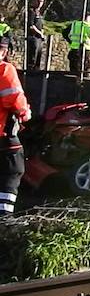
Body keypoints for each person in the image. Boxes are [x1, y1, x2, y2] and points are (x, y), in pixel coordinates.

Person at [0, 37, 31, 215]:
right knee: (13, 171)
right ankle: (4, 221)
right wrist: (25, 114)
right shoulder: (4, 69)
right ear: (4, 51)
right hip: (3, 135)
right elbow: (15, 100)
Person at [26, 0, 45, 70]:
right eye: (39, 1)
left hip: (39, 38)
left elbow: (40, 25)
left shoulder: (39, 12)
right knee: (32, 56)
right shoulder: (31, 11)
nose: (40, 3)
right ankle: (30, 70)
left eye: (42, 1)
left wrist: (42, 32)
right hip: (33, 37)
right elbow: (31, 25)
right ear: (35, 0)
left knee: (39, 56)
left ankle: (37, 70)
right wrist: (40, 33)